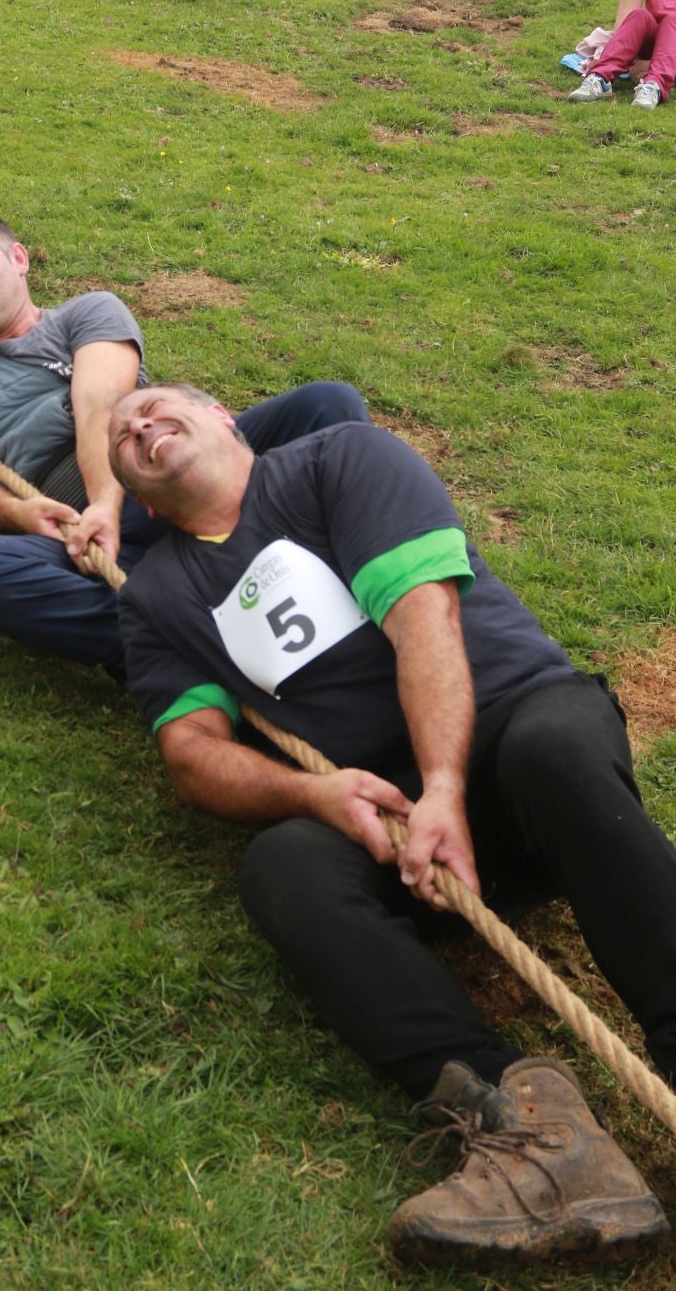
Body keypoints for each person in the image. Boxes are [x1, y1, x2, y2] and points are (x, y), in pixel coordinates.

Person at [109, 381, 676, 1268]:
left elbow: (423, 615)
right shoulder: (155, 597)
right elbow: (190, 752)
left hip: (509, 741)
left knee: (555, 750)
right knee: (283, 865)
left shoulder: (341, 460)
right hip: (395, 829)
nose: (139, 422)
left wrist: (446, 784)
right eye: (122, 432)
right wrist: (317, 797)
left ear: (224, 415)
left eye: (155, 404)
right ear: (138, 499)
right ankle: (529, 1136)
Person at [0, 208, 369, 674]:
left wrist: (106, 501)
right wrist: (15, 513)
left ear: (18, 259)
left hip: (177, 472)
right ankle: (191, 640)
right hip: (92, 536)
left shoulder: (89, 311)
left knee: (327, 404)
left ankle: (355, 574)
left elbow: (100, 406)